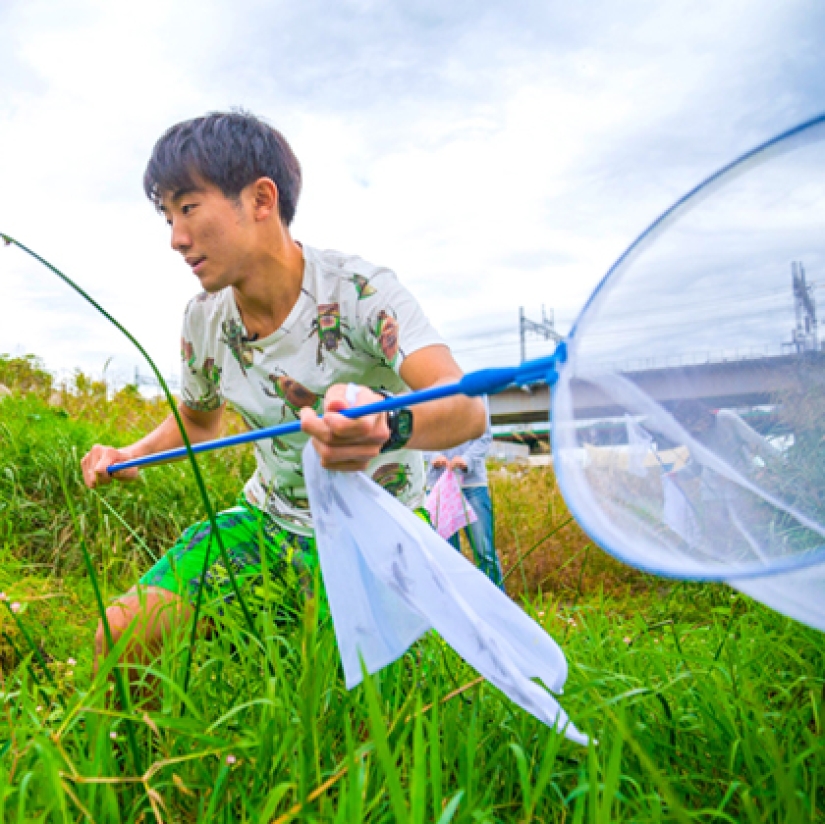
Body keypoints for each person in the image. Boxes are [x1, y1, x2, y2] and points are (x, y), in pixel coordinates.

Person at [81, 110, 486, 663]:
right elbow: (200, 420)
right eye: (167, 216)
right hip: (268, 524)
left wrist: (388, 425)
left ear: (261, 199)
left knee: (360, 717)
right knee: (123, 636)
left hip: (380, 532)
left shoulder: (360, 292)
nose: (176, 238)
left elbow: (464, 406)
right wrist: (131, 453)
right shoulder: (204, 321)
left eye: (189, 207)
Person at [426, 403, 505, 589]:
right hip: (439, 485)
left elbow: (485, 436)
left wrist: (467, 460)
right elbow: (419, 434)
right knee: (445, 555)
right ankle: (455, 609)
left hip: (472, 484)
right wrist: (433, 456)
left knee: (484, 551)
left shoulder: (475, 393)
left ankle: (497, 605)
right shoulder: (425, 390)